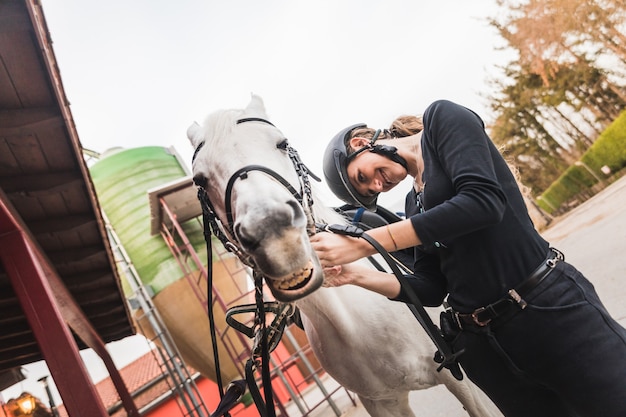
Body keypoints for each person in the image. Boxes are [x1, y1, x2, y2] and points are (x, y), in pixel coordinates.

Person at [310, 99, 626, 417]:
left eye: (362, 178)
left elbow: (483, 202)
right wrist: (355, 276)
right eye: (369, 192)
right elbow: (430, 288)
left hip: (546, 312)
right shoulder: (412, 203)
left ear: (360, 144)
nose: (377, 185)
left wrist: (366, 243)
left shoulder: (441, 120)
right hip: (485, 350)